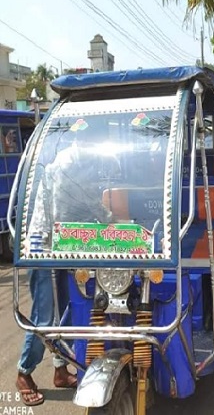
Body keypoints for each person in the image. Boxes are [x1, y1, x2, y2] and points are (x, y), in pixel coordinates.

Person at [19, 144, 116, 406]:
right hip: (45, 244)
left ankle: (61, 370)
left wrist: (109, 221)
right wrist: (107, 220)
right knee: (45, 316)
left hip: (63, 244)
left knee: (66, 310)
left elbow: (85, 201)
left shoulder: (82, 162)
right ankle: (24, 373)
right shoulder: (67, 163)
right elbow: (68, 208)